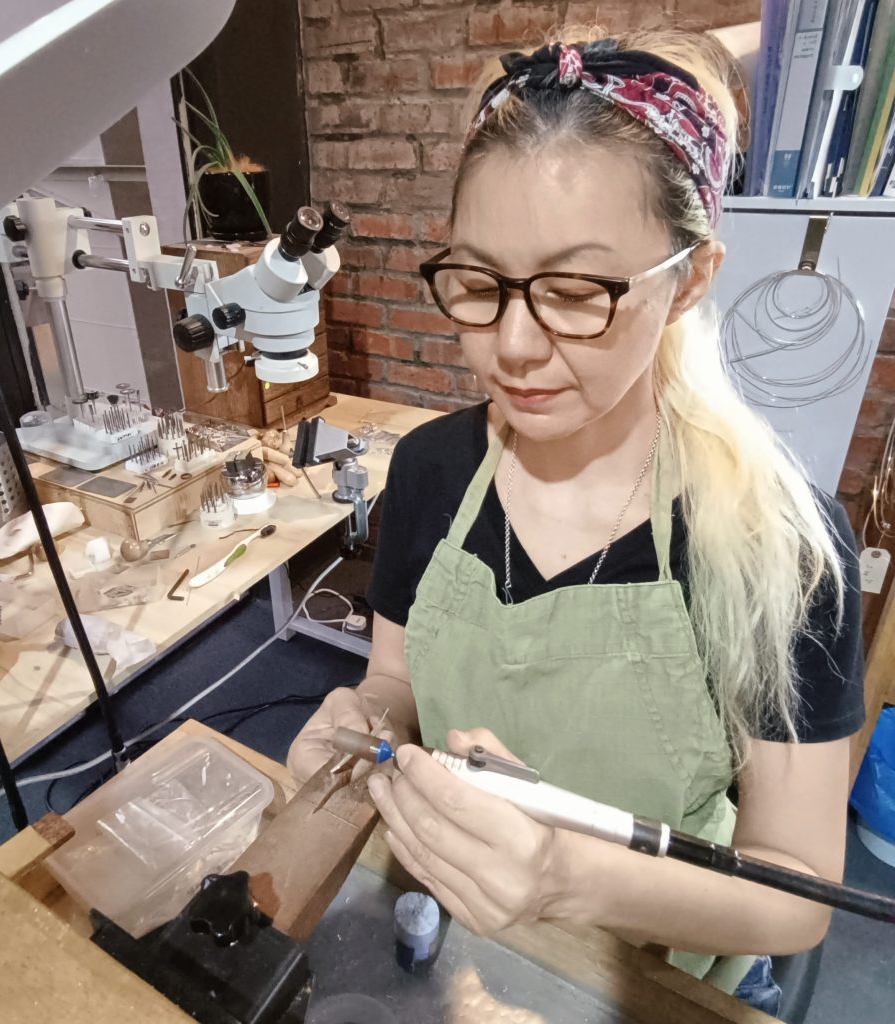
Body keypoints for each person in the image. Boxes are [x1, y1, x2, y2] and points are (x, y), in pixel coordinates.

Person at [287, 27, 864, 1015]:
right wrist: (362, 724)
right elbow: (396, 681)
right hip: (455, 942)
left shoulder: (779, 547)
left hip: (658, 977)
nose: (512, 347)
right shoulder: (430, 472)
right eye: (478, 285)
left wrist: (567, 877)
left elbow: (797, 891)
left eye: (572, 292)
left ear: (689, 278)